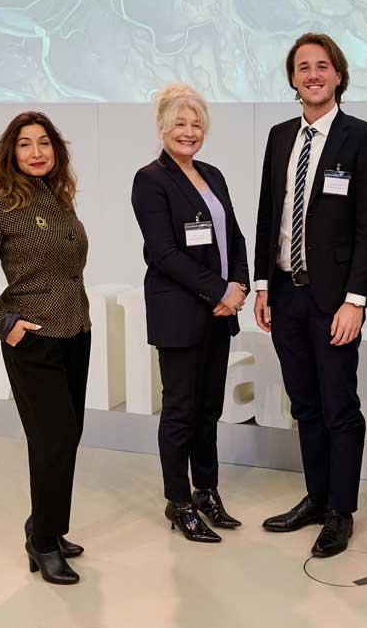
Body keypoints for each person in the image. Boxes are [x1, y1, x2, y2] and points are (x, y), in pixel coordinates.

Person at [253, 33, 367, 557]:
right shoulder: (279, 135)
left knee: (339, 406)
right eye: (303, 67)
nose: (312, 74)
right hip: (286, 294)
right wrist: (264, 284)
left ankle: (341, 511)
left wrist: (356, 300)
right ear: (293, 78)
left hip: (334, 300)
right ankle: (315, 496)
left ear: (338, 75)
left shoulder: (363, 137)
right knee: (304, 405)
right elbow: (269, 212)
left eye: (322, 66)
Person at [0, 111, 91, 585]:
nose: (36, 152)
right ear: (10, 153)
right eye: (25, 144)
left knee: (68, 434)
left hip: (76, 331)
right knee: (51, 438)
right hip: (32, 338)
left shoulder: (59, 197)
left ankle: (49, 527)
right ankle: (41, 544)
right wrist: (4, 324)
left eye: (44, 143)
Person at [131, 83, 250, 543]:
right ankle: (178, 502)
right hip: (180, 314)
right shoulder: (151, 180)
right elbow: (163, 254)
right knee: (180, 412)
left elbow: (234, 237)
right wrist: (220, 289)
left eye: (196, 123)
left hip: (220, 313)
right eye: (180, 123)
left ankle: (207, 492)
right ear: (162, 127)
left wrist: (238, 285)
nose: (189, 131)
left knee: (208, 408)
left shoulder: (213, 175)